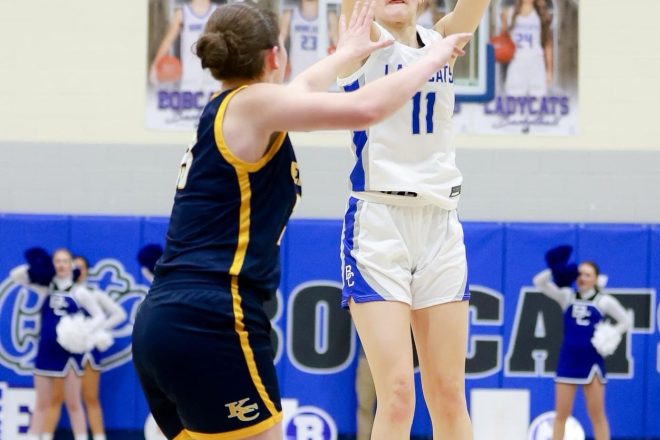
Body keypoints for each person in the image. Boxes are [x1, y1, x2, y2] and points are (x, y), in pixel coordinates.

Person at [131, 2, 471, 439]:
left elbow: (305, 86)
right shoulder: (255, 105)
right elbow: (365, 109)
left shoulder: (234, 107)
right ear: (276, 55)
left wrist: (345, 53)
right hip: (214, 315)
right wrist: (432, 58)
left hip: (163, 319)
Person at [336, 0, 488, 438]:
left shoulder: (443, 40)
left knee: (449, 394)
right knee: (398, 394)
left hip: (440, 224)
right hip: (379, 224)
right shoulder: (362, 39)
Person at [532, 245, 631, 440]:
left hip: (592, 362)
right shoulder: (567, 296)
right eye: (580, 274)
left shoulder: (604, 301)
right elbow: (539, 282)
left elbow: (626, 320)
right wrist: (557, 269)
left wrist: (610, 335)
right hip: (568, 361)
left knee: (597, 415)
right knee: (561, 415)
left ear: (596, 279)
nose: (582, 278)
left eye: (588, 275)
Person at [10, 248, 105, 440]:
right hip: (46, 351)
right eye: (57, 261)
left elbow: (99, 316)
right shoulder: (45, 287)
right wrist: (39, 266)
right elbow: (16, 275)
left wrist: (83, 331)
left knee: (73, 403)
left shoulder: (80, 292)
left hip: (70, 353)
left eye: (65, 261)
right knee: (42, 403)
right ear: (52, 264)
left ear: (71, 265)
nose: (61, 265)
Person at [58, 256, 128, 440]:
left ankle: (98, 436)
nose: (77, 271)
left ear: (87, 271)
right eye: (74, 266)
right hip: (64, 351)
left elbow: (119, 314)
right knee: (62, 398)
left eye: (81, 267)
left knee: (90, 396)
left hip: (87, 351)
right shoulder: (61, 293)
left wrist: (93, 330)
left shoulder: (93, 294)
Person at [149, 0, 220, 91]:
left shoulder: (218, 12)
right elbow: (168, 41)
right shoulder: (181, 13)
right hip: (189, 77)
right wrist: (155, 65)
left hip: (212, 77)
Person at [500, 0, 553, 97]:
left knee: (538, 100)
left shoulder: (542, 14)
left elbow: (547, 44)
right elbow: (503, 39)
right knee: (514, 100)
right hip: (517, 63)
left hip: (536, 63)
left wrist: (549, 70)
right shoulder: (508, 13)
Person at [280, 0, 339, 80]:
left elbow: (337, 43)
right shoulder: (290, 13)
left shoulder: (329, 15)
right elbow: (280, 40)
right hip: (297, 74)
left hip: (321, 74)